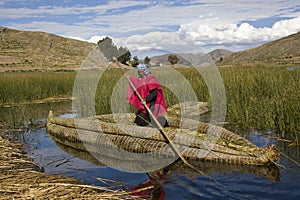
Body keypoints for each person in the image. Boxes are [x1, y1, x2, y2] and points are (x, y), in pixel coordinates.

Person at [126, 63, 168, 127]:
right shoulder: (142, 78)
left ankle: (163, 123)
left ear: (145, 71)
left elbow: (154, 92)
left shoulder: (151, 78)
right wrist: (129, 78)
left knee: (153, 119)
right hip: (145, 103)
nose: (140, 73)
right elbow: (137, 82)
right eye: (139, 72)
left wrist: (146, 99)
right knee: (139, 120)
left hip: (152, 102)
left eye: (141, 72)